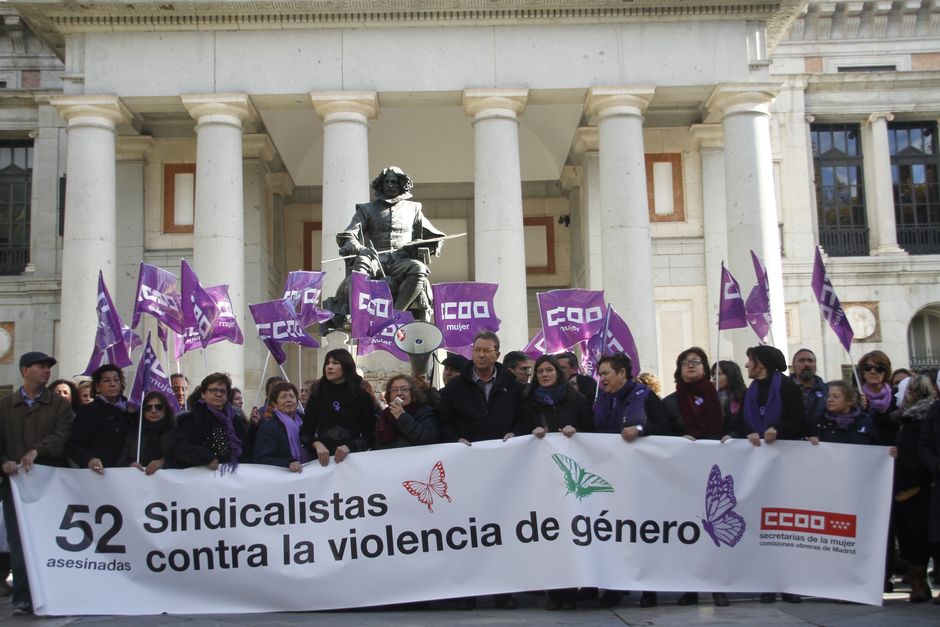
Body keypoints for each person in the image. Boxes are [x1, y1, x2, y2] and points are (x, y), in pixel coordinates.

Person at [437, 330, 523, 610]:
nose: (481, 355)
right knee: (468, 530)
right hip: (468, 468)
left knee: (502, 530)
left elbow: (524, 417)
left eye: (487, 350)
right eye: (477, 350)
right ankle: (468, 592)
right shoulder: (455, 388)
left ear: (497, 354)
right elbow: (444, 422)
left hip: (504, 469)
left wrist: (515, 433)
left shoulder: (513, 385)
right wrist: (456, 439)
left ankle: (503, 591)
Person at [726, 345, 804, 604]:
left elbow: (800, 422)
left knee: (785, 528)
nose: (746, 365)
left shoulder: (788, 389)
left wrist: (777, 429)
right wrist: (738, 434)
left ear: (761, 363)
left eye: (750, 361)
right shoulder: (751, 392)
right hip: (758, 472)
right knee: (762, 527)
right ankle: (766, 582)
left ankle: (790, 583)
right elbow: (740, 425)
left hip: (784, 470)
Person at [592, 351, 667, 609]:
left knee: (640, 533)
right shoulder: (602, 399)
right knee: (612, 534)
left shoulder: (645, 396)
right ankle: (615, 587)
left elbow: (668, 426)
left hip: (640, 478)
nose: (601, 379)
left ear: (622, 373)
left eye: (606, 374)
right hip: (610, 478)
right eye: (600, 374)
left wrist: (641, 431)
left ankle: (648, 589)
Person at [0, 351, 73, 615]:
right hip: (16, 487)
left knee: (52, 539)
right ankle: (24, 596)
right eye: (40, 367)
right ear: (25, 370)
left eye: (48, 367)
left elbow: (62, 436)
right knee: (19, 541)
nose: (46, 371)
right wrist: (4, 461)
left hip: (49, 482)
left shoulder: (60, 405)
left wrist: (37, 451)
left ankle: (53, 592)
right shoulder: (5, 405)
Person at [325, 166, 446, 325]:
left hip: (402, 262)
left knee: (419, 269)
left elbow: (435, 237)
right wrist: (361, 248)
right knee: (361, 263)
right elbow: (349, 235)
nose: (390, 185)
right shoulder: (366, 209)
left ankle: (395, 316)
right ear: (381, 185)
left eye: (394, 182)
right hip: (375, 259)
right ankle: (358, 315)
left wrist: (424, 244)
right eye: (386, 182)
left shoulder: (414, 209)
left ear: (401, 184)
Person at [661, 347, 730, 607]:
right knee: (687, 533)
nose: (690, 366)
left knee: (714, 534)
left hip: (715, 478)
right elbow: (662, 434)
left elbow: (732, 427)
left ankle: (717, 588)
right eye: (684, 363)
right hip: (683, 477)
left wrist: (728, 438)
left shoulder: (721, 399)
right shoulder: (669, 402)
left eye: (695, 362)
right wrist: (678, 442)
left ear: (704, 368)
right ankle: (688, 587)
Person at [891, 375, 936, 603]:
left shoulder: (924, 419)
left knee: (921, 538)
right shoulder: (904, 420)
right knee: (909, 538)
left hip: (921, 487)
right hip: (904, 487)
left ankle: (920, 584)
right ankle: (918, 584)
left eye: (903, 390)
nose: (898, 395)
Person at [302, 349, 377, 464]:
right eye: (327, 363)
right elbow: (305, 433)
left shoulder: (362, 397)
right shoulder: (317, 396)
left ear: (346, 366)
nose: (329, 367)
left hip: (352, 460)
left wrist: (350, 447)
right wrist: (316, 444)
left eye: (335, 363)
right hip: (322, 462)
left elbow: (370, 434)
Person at [168, 372, 253, 472]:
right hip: (203, 478)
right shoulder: (191, 419)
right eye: (213, 390)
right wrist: (206, 457)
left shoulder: (235, 419)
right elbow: (179, 446)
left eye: (223, 391)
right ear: (203, 394)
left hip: (234, 478)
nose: (218, 394)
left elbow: (246, 449)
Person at [67, 364, 136, 474]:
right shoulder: (88, 411)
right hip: (98, 474)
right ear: (98, 387)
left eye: (116, 380)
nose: (112, 384)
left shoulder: (131, 410)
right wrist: (89, 460)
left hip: (127, 473)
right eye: (107, 380)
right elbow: (73, 445)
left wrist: (134, 415)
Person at [254, 382, 309, 472]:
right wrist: (288, 463)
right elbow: (261, 459)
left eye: (292, 396)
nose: (289, 400)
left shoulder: (305, 423)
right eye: (283, 397)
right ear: (275, 403)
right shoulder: (269, 427)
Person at [374, 374, 439, 449]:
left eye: (404, 389)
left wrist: (402, 417)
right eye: (394, 390)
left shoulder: (424, 410)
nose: (399, 393)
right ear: (389, 394)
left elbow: (429, 439)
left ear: (412, 392)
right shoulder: (386, 413)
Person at [118, 391, 175, 475]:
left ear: (165, 409)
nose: (153, 411)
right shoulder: (135, 434)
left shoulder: (176, 432)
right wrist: (130, 465)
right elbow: (121, 461)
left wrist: (163, 462)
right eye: (148, 408)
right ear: (143, 411)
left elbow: (183, 458)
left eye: (158, 407)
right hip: (140, 483)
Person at [810, 381, 873, 445]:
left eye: (836, 396)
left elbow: (876, 447)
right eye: (828, 396)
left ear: (849, 401)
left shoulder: (864, 422)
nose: (830, 400)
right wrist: (812, 441)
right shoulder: (819, 421)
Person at [858, 350, 898, 447]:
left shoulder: (896, 394)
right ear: (863, 372)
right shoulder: (855, 396)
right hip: (863, 451)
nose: (873, 371)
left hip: (890, 454)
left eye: (879, 368)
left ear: (885, 372)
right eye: (868, 368)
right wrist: (859, 409)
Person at [790, 348, 828, 427]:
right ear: (793, 365)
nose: (806, 364)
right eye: (801, 360)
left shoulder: (827, 391)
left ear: (815, 365)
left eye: (810, 360)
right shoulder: (781, 389)